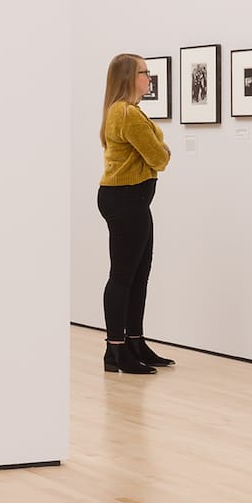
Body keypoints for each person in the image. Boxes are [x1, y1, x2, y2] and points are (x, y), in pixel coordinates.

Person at [98, 53, 174, 374]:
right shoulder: (127, 114)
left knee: (138, 275)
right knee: (123, 276)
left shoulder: (129, 112)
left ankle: (134, 341)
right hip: (126, 199)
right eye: (144, 72)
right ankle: (115, 350)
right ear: (129, 77)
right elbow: (160, 158)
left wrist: (156, 139)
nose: (149, 77)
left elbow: (155, 151)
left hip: (132, 200)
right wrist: (160, 141)